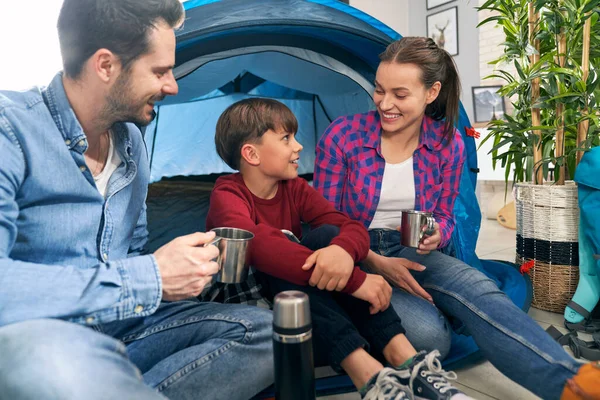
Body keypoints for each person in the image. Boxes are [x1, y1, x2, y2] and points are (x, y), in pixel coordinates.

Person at [0, 1, 273, 399]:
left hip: (125, 328)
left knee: (267, 334)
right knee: (53, 365)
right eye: (159, 71)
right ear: (106, 66)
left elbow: (132, 252)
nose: (173, 85)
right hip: (43, 338)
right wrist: (151, 278)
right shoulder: (11, 132)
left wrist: (182, 271)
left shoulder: (133, 144)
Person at [313, 36, 600, 400]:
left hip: (413, 250)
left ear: (431, 92)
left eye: (400, 95)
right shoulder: (344, 135)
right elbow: (323, 222)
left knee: (480, 291)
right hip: (355, 252)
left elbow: (446, 217)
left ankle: (572, 383)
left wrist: (435, 233)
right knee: (432, 339)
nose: (385, 103)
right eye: (379, 90)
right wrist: (376, 263)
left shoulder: (447, 144)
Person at [206, 97, 474, 400]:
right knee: (282, 249)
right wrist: (356, 280)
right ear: (251, 154)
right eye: (286, 139)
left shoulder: (294, 189)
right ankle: (369, 375)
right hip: (251, 299)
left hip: (303, 302)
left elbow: (350, 227)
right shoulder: (226, 194)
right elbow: (261, 247)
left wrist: (343, 253)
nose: (299, 146)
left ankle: (407, 362)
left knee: (328, 237)